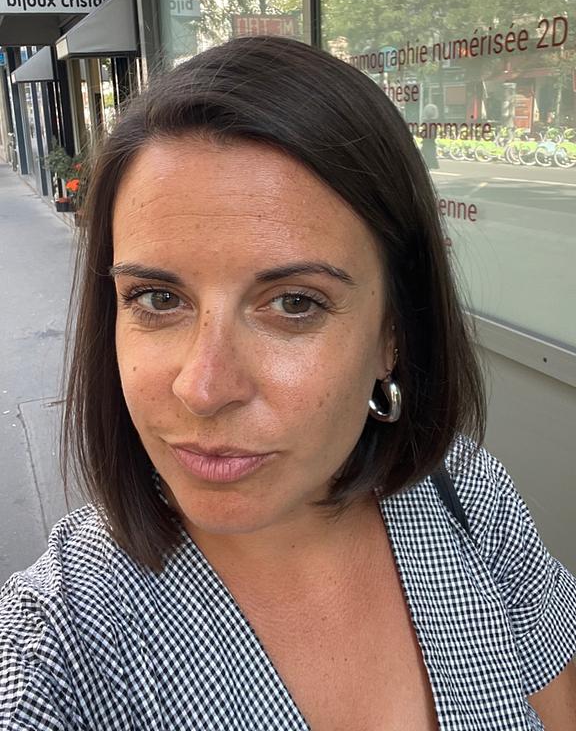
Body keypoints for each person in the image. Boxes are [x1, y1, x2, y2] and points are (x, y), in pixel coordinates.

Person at [1, 37, 575, 731]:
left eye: (295, 303)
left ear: (392, 334)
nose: (204, 388)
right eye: (157, 298)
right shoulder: (56, 647)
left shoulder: (467, 499)